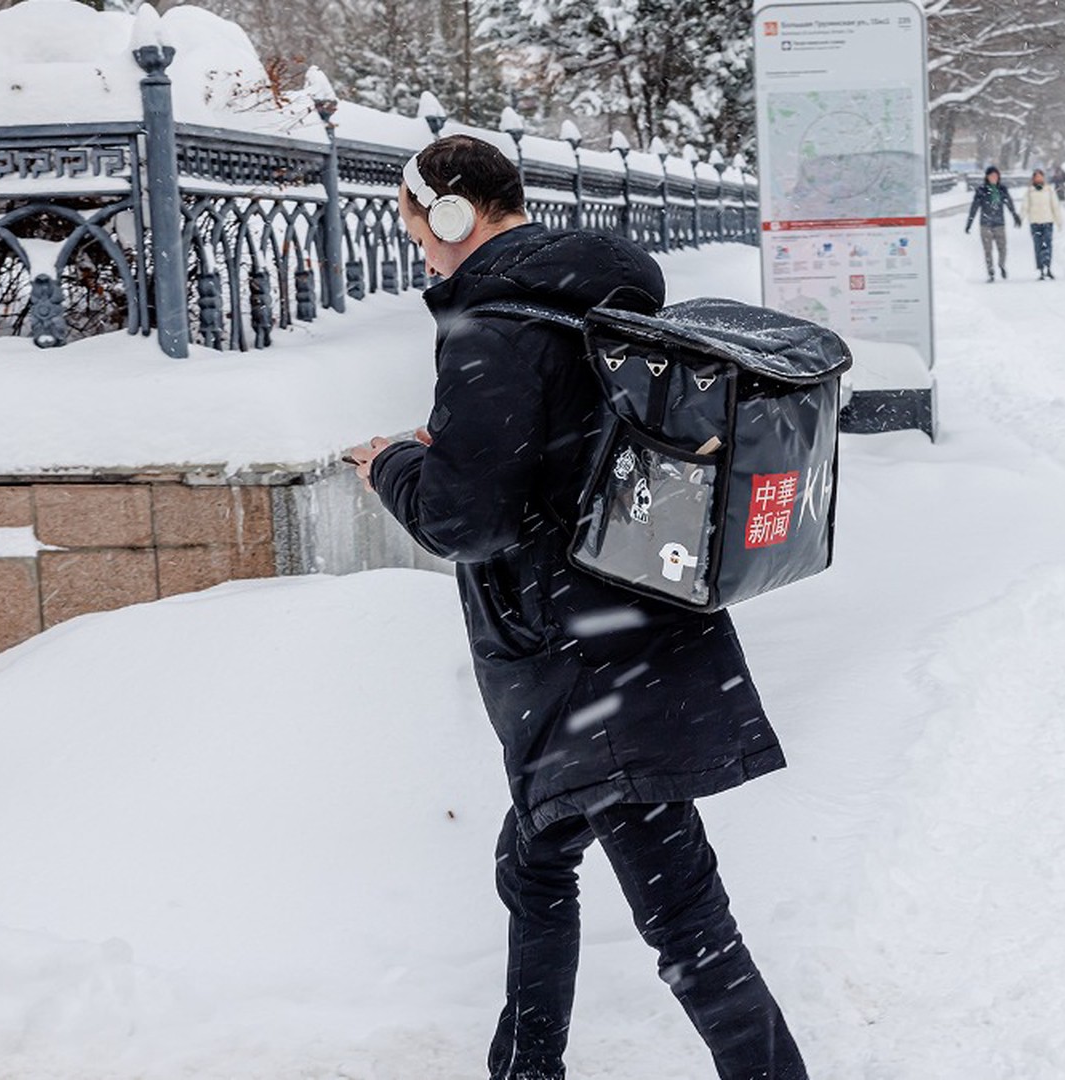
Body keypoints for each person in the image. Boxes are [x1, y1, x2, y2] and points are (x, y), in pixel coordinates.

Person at [343, 134, 808, 1080]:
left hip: (576, 660)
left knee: (684, 918)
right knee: (536, 862)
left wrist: (390, 464)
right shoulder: (596, 298)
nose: (422, 256)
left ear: (452, 213)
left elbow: (464, 520)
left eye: (421, 233)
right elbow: (561, 450)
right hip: (636, 626)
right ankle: (525, 1068)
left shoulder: (493, 325)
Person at [964, 164, 1022, 282]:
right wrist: (969, 223)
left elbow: (1009, 203)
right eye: (991, 176)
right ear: (987, 177)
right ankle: (990, 271)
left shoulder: (1002, 190)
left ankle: (1001, 264)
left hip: (999, 223)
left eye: (996, 175)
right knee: (988, 250)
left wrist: (1015, 216)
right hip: (985, 224)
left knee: (1002, 248)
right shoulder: (981, 191)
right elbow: (974, 207)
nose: (994, 178)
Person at [1022, 168, 1064, 280]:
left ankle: (1048, 268)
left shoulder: (1049, 191)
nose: (1039, 178)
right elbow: (1025, 207)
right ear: (1033, 179)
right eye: (1036, 177)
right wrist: (1020, 218)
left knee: (1048, 245)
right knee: (1038, 246)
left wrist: (1059, 221)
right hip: (1035, 222)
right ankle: (1041, 270)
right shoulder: (1029, 192)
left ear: (1043, 178)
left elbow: (1055, 206)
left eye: (1040, 176)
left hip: (1047, 222)